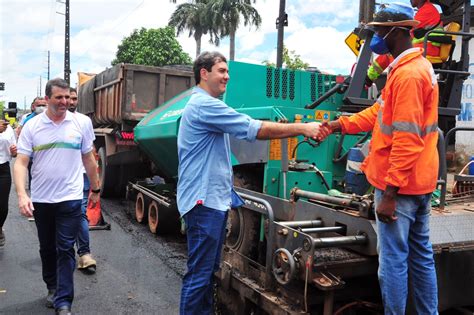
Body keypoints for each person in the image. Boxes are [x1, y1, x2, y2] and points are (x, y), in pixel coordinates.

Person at [177, 51, 330, 315]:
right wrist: (304, 128)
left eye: (227, 71)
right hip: (204, 204)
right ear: (204, 73)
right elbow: (254, 130)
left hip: (210, 202)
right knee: (199, 276)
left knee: (206, 274)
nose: (227, 76)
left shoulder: (204, 104)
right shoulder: (204, 105)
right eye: (221, 71)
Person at [319, 4, 439, 314]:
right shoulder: (410, 68)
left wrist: (389, 194)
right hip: (419, 183)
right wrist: (338, 125)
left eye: (381, 31)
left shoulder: (409, 75)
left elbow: (407, 137)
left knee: (394, 263)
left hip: (400, 189)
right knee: (420, 256)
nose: (377, 37)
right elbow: (379, 113)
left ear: (397, 31)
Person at [14, 78, 100, 315]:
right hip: (42, 199)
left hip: (71, 197)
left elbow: (89, 158)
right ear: (48, 98)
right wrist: (22, 195)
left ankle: (63, 301)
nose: (65, 102)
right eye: (59, 98)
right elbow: (21, 163)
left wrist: (96, 189)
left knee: (64, 248)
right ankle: (52, 286)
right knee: (47, 248)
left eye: (67, 97)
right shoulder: (33, 126)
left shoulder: (81, 123)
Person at [366, 0, 442, 85]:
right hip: (426, 47)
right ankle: (371, 76)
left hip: (429, 49)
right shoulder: (425, 10)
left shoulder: (427, 10)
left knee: (392, 49)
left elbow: (406, 32)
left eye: (380, 30)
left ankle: (370, 77)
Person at [68, 87, 97, 273]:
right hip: (59, 182)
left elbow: (90, 153)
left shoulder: (83, 121)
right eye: (66, 98)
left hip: (81, 177)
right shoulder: (44, 123)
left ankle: (85, 254)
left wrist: (96, 185)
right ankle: (64, 251)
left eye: (73, 98)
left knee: (80, 214)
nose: (70, 102)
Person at [0, 119, 17, 247]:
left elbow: (14, 151)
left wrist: (14, 151)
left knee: (2, 205)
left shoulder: (7, 127)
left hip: (3, 169)